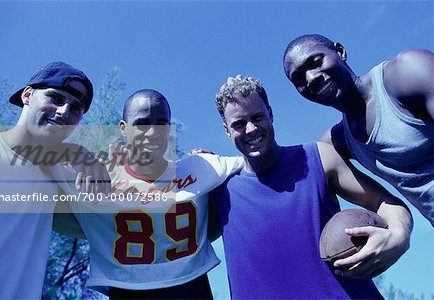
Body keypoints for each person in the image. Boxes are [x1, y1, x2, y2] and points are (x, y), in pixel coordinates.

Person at [212, 75, 413, 299]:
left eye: (257, 117)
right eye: (239, 124)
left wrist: (398, 236)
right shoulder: (219, 189)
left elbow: (387, 203)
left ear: (271, 114)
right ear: (227, 130)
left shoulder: (318, 157)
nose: (250, 129)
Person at [64, 89, 243, 299]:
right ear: (123, 128)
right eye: (141, 123)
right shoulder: (98, 178)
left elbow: (254, 164)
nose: (152, 132)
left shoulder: (200, 168)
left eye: (161, 123)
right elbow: (30, 170)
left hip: (191, 289)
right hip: (127, 291)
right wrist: (74, 154)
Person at [0, 61, 109, 299]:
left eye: (75, 108)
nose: (64, 112)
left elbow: (118, 218)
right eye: (55, 98)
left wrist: (198, 165)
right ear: (28, 95)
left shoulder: (58, 176)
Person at [283, 34, 434, 227]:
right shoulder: (338, 141)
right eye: (299, 79)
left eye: (316, 62)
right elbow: (299, 177)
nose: (311, 78)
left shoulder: (406, 72)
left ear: (340, 52)